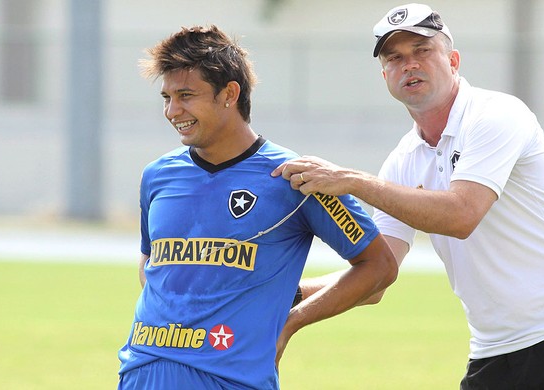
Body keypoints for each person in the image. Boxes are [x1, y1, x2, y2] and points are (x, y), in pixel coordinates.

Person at [272, 3, 544, 389]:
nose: (409, 64)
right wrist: (289, 297)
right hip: (494, 351)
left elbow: (461, 215)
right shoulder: (403, 161)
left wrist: (353, 181)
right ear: (385, 75)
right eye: (395, 57)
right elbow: (377, 274)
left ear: (453, 59)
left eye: (423, 51)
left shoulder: (497, 114)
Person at [116, 25, 398, 389]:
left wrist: (292, 320)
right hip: (143, 371)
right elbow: (151, 260)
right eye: (166, 98)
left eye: (186, 95)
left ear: (229, 93)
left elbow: (379, 267)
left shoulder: (296, 177)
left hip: (233, 379)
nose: (173, 111)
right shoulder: (157, 176)